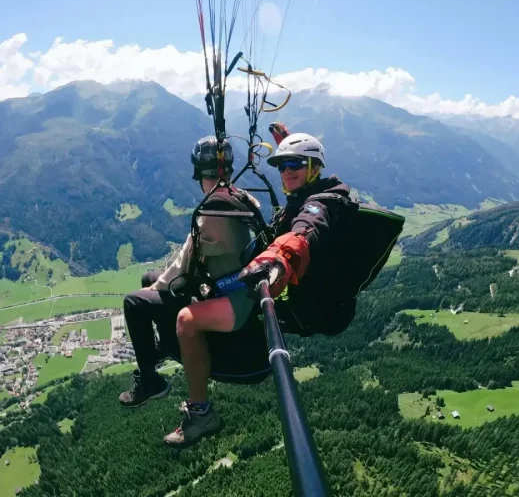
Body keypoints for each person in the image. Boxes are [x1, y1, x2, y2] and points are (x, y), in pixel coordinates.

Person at [118, 135, 262, 448]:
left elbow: (181, 267)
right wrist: (156, 285)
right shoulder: (239, 198)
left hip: (233, 301)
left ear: (199, 173)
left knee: (135, 301)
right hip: (239, 287)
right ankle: (158, 349)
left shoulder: (211, 211)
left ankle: (154, 384)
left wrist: (156, 290)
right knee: (147, 278)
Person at [238, 132, 356, 337]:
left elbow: (308, 225)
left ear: (316, 168)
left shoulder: (322, 203)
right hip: (313, 299)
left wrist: (281, 255)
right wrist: (288, 145)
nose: (287, 171)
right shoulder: (307, 191)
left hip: (312, 311)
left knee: (236, 310)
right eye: (282, 166)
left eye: (295, 164)